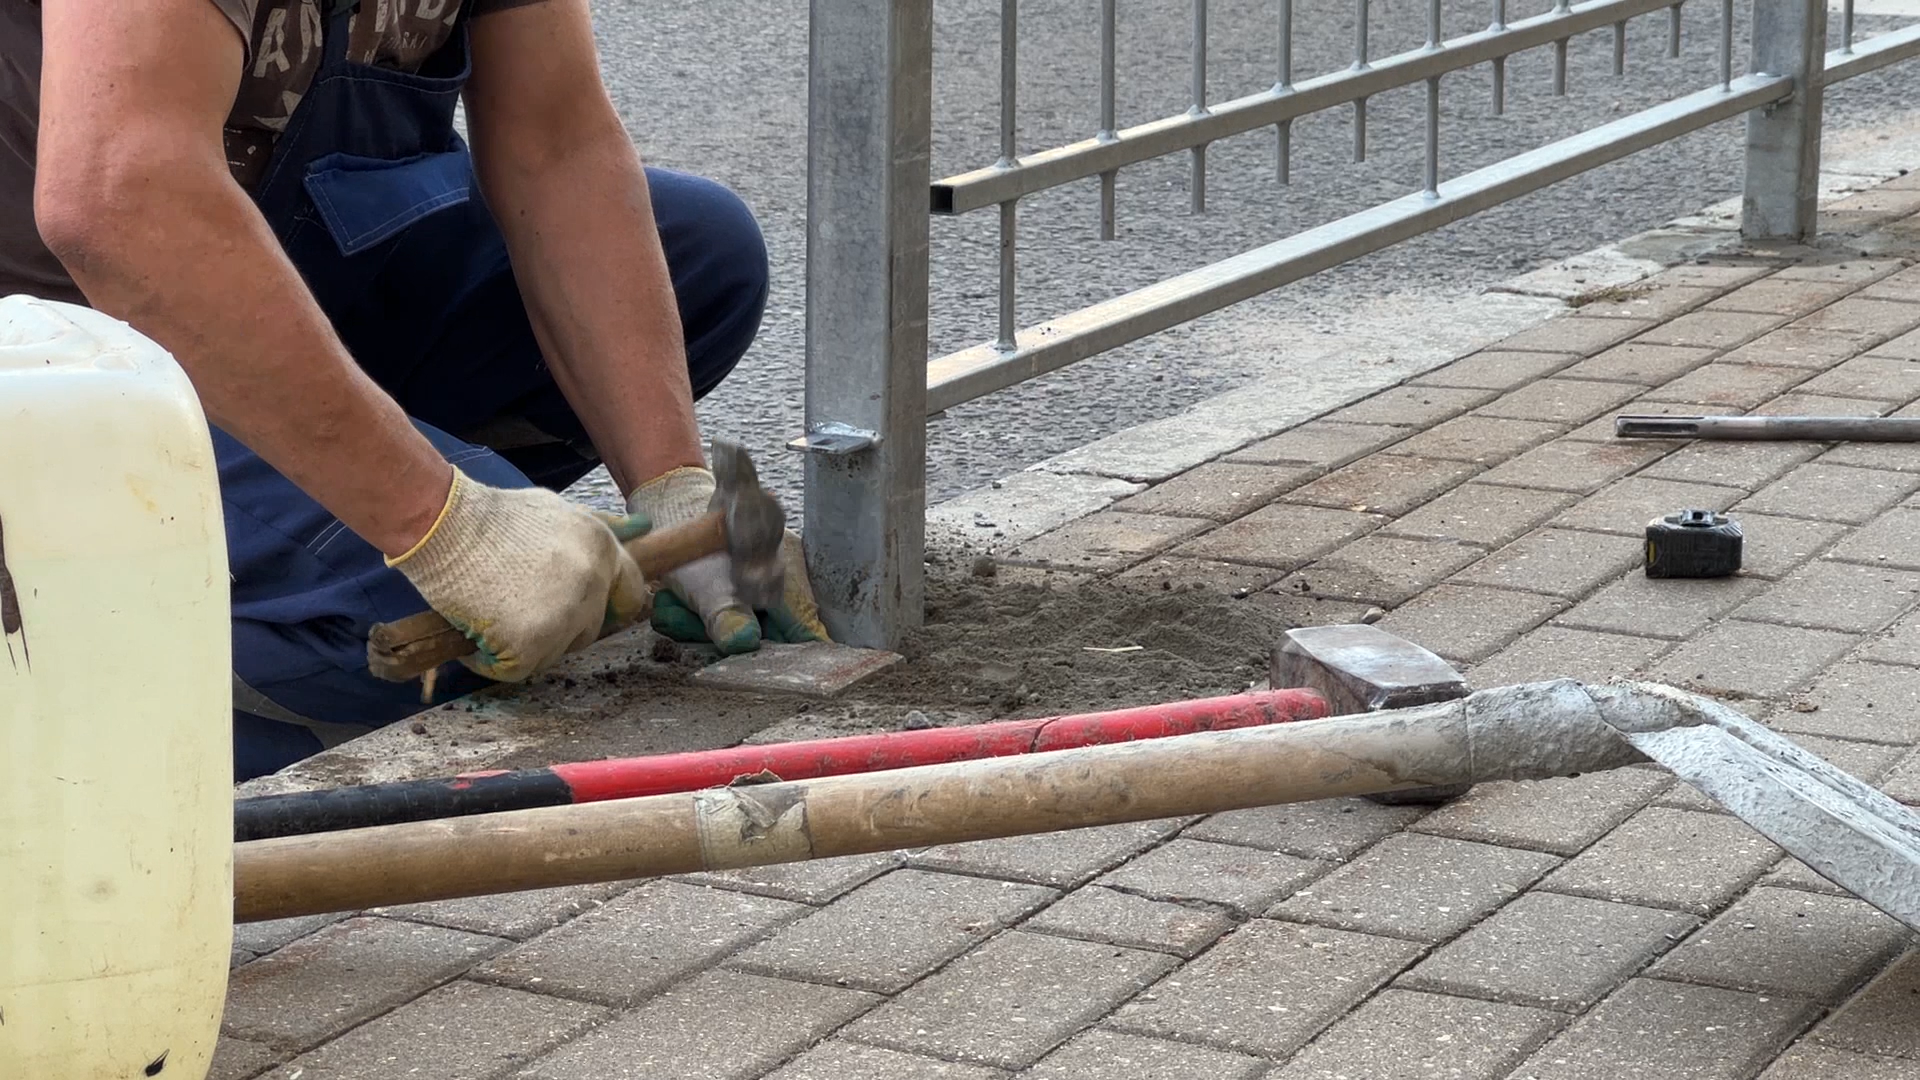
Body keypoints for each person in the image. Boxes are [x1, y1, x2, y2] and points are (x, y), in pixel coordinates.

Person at [5, 0, 828, 781]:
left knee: (704, 259)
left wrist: (671, 485)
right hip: (55, 366)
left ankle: (341, 541)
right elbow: (116, 196)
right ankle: (68, 732)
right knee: (396, 601)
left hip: (236, 291)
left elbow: (557, 143)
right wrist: (444, 529)